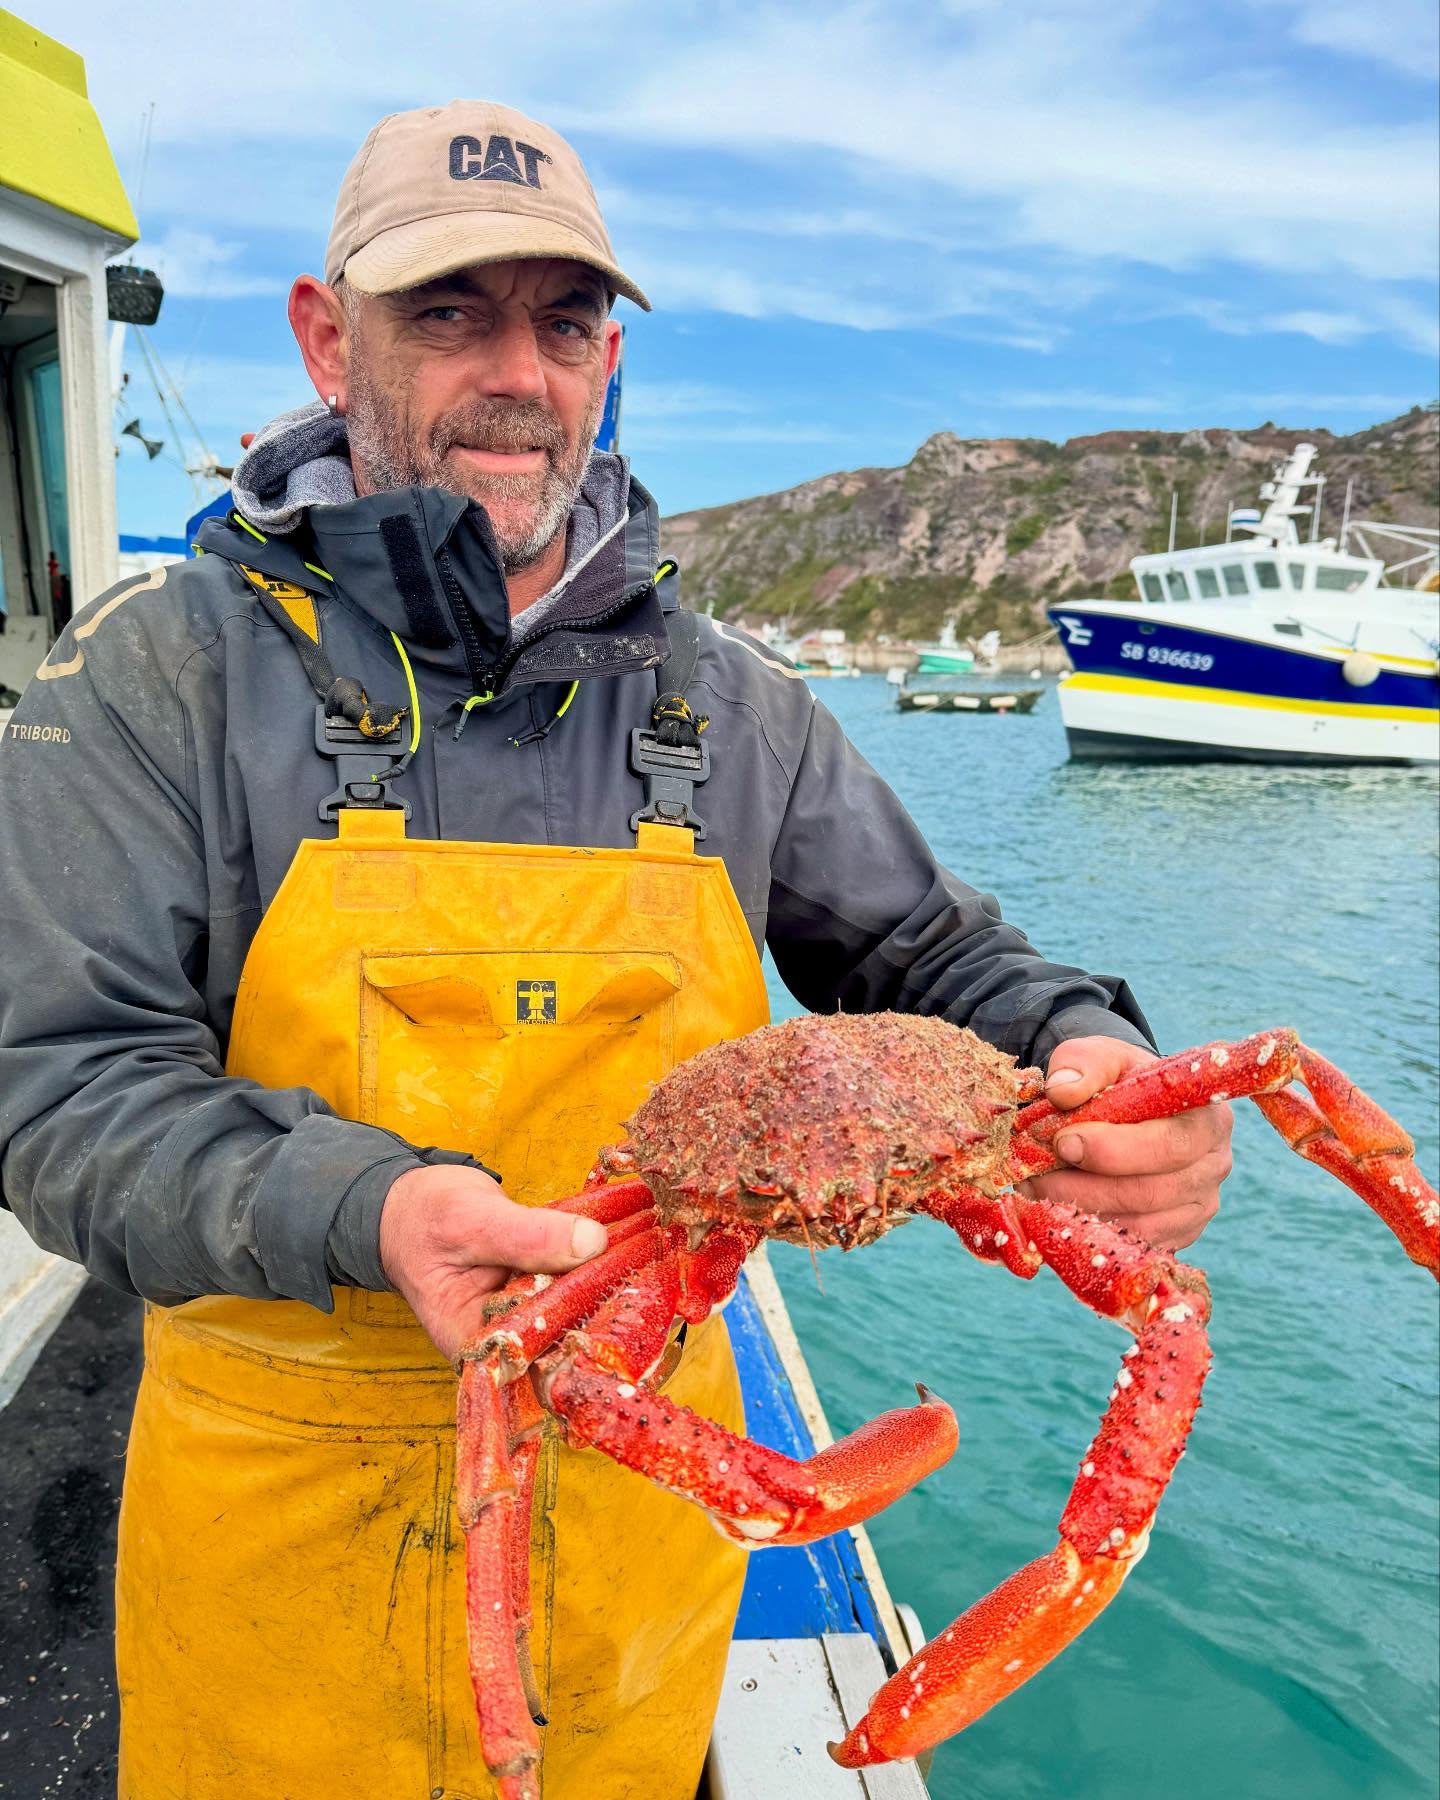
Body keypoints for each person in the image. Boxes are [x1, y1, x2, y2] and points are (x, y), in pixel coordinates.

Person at [0, 100, 1231, 1800]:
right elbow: (59, 1090)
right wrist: (374, 1210)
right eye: (450, 314)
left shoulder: (728, 703)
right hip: (273, 1520)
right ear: (322, 330)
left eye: (565, 322)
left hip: (645, 1539)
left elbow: (937, 953)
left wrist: (1090, 1044)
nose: (522, 372)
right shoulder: (163, 673)